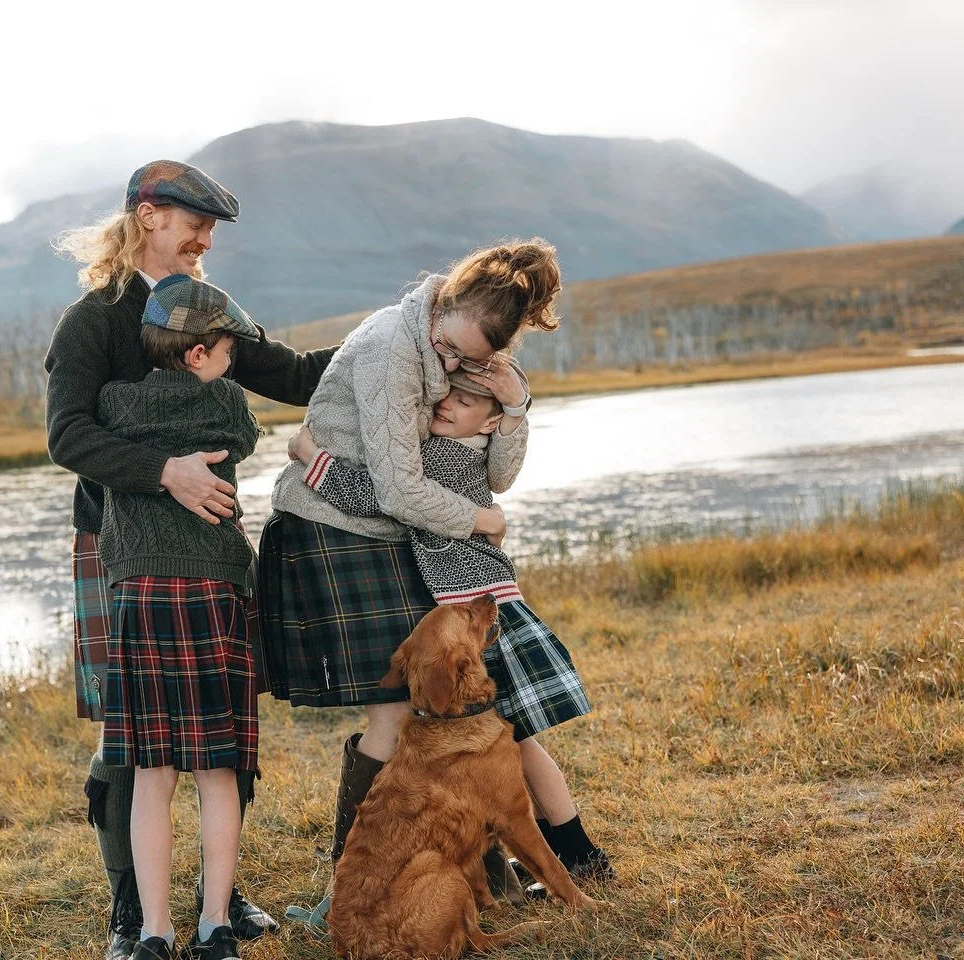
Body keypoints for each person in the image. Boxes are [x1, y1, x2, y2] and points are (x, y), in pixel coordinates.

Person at [258, 239, 605, 925]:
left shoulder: (466, 354)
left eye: (465, 365)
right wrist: (481, 518)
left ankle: (490, 869)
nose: (449, 374)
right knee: (402, 711)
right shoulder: (392, 346)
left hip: (422, 550)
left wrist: (516, 403)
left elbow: (484, 462)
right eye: (447, 352)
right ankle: (353, 892)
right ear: (442, 304)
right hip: (341, 532)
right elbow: (400, 490)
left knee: (458, 718)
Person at [45, 159, 337, 960]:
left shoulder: (208, 311)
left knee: (220, 727)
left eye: (211, 228)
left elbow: (294, 376)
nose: (206, 239)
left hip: (208, 556)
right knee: (128, 742)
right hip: (119, 547)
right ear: (148, 215)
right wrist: (165, 472)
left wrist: (395, 343)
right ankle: (130, 913)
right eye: (194, 223)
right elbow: (67, 434)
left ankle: (221, 894)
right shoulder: (93, 320)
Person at [98, 274, 265, 960]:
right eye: (227, 351)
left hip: (139, 596)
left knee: (151, 774)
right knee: (217, 769)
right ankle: (215, 925)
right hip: (211, 592)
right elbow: (246, 438)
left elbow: (95, 443)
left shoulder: (114, 403)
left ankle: (154, 932)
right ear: (198, 355)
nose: (231, 363)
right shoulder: (224, 401)